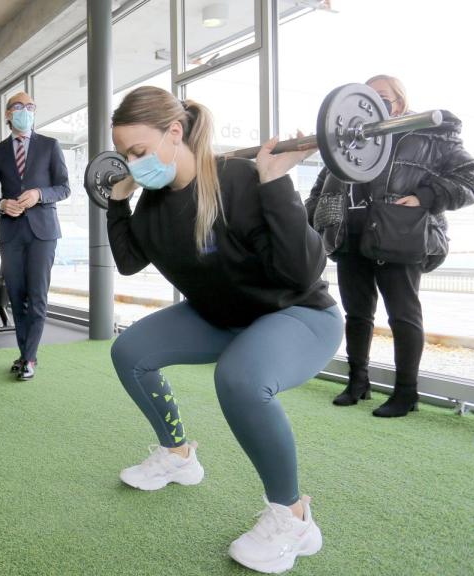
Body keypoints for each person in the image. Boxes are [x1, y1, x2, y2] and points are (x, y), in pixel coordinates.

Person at [106, 86, 343, 573]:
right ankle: (178, 456)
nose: (134, 165)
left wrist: (276, 183)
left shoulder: (239, 179)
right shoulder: (151, 205)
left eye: (139, 152)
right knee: (130, 351)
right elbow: (129, 262)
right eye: (126, 157)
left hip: (297, 313)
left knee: (239, 378)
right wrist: (116, 202)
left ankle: (294, 517)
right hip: (222, 316)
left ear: (175, 132)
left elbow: (303, 272)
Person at [306, 75, 474, 417]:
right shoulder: (348, 138)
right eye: (368, 96)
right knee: (357, 314)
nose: (374, 102)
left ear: (399, 103)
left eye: (382, 97)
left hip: (398, 236)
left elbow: (473, 176)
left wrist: (424, 197)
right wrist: (316, 213)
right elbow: (321, 182)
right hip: (349, 236)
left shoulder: (430, 135)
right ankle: (358, 382)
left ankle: (406, 393)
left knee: (403, 316)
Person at [0, 92, 70, 380]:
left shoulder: (50, 145)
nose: (25, 111)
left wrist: (39, 194)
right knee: (16, 294)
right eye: (19, 107)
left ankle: (29, 357)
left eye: (30, 106)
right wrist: (1, 204)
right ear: (8, 114)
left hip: (43, 232)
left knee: (37, 296)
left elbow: (64, 187)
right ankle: (24, 354)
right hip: (10, 232)